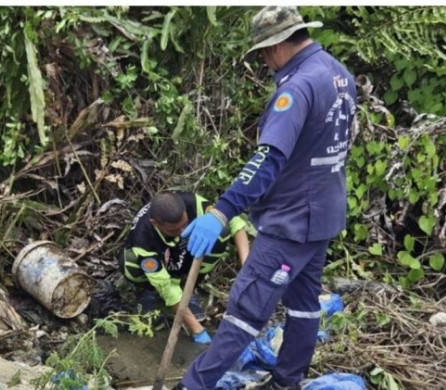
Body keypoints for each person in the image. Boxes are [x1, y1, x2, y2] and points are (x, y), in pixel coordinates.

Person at [173, 6, 357, 390]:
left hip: (290, 222)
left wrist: (221, 212)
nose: (264, 62)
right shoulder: (338, 73)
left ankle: (192, 386)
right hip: (323, 215)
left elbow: (268, 158)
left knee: (245, 309)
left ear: (274, 47)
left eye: (262, 53)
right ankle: (286, 381)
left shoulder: (296, 87)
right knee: (304, 306)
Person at [118, 191, 250, 344]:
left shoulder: (193, 202)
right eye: (174, 230)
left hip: (189, 252)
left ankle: (188, 288)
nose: (181, 232)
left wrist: (247, 267)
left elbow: (234, 222)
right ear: (155, 224)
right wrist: (197, 330)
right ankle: (152, 293)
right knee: (129, 262)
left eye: (184, 225)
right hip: (161, 260)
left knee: (222, 228)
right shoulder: (142, 237)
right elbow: (167, 288)